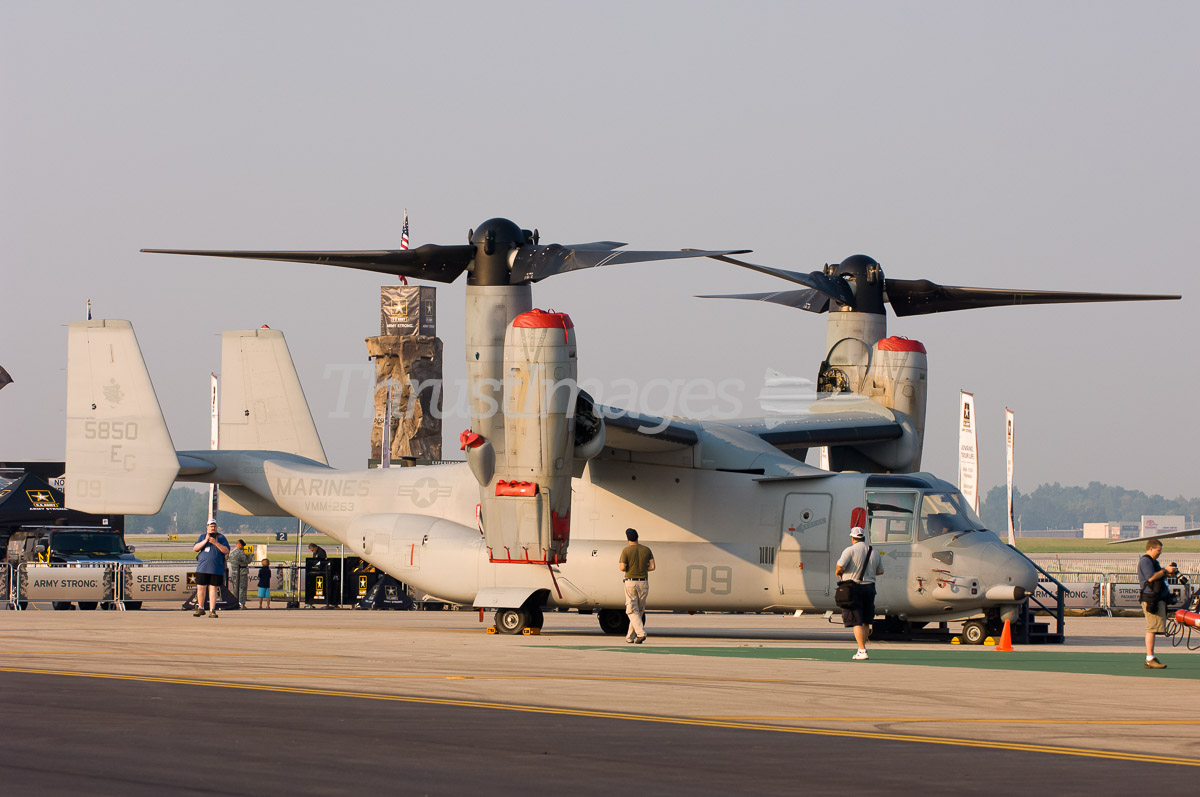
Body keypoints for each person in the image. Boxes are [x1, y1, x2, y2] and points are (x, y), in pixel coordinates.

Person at [835, 526, 884, 660]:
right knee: (866, 621)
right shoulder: (874, 551)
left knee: (856, 620)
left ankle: (862, 650)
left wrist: (839, 573)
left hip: (854, 588)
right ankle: (863, 647)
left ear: (853, 538)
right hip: (870, 587)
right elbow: (880, 571)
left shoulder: (849, 550)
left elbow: (840, 566)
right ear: (863, 537)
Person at [1138, 538, 1177, 669]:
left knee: (1154, 628)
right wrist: (1165, 571)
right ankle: (1149, 658)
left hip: (1157, 597)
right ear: (1151, 548)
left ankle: (1151, 657)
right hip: (1151, 599)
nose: (1160, 553)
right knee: (1152, 628)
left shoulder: (1154, 562)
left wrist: (1169, 573)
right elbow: (1151, 577)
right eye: (1158, 550)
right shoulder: (1145, 561)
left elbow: (1158, 576)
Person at [617, 528, 655, 644]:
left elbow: (622, 567)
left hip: (631, 582)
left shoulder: (626, 551)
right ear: (637, 537)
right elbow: (652, 567)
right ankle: (630, 637)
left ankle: (641, 633)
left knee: (631, 610)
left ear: (627, 538)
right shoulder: (647, 550)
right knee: (639, 610)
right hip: (644, 582)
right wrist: (643, 569)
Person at [192, 519, 229, 618]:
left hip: (216, 569)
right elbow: (195, 548)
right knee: (201, 588)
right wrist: (206, 540)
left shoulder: (221, 538)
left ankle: (212, 610)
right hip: (202, 568)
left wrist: (215, 543)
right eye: (211, 526)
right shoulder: (202, 536)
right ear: (207, 527)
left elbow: (226, 550)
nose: (213, 528)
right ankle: (201, 607)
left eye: (214, 526)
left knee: (213, 589)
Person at [227, 539, 251, 609]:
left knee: (235, 588)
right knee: (242, 588)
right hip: (242, 572)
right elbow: (247, 561)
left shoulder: (231, 553)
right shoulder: (240, 553)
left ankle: (234, 602)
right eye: (242, 546)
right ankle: (241, 603)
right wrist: (250, 556)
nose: (243, 548)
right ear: (239, 545)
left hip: (234, 572)